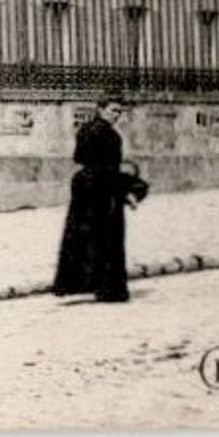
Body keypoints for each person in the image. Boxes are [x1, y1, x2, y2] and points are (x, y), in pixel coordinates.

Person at [53, 97, 132, 303]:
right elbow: (111, 168)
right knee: (108, 237)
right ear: (101, 109)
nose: (116, 115)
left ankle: (76, 284)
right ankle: (108, 288)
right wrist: (125, 191)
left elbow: (78, 157)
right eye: (113, 110)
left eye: (119, 112)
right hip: (103, 187)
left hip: (84, 185)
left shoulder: (85, 129)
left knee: (82, 235)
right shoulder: (111, 135)